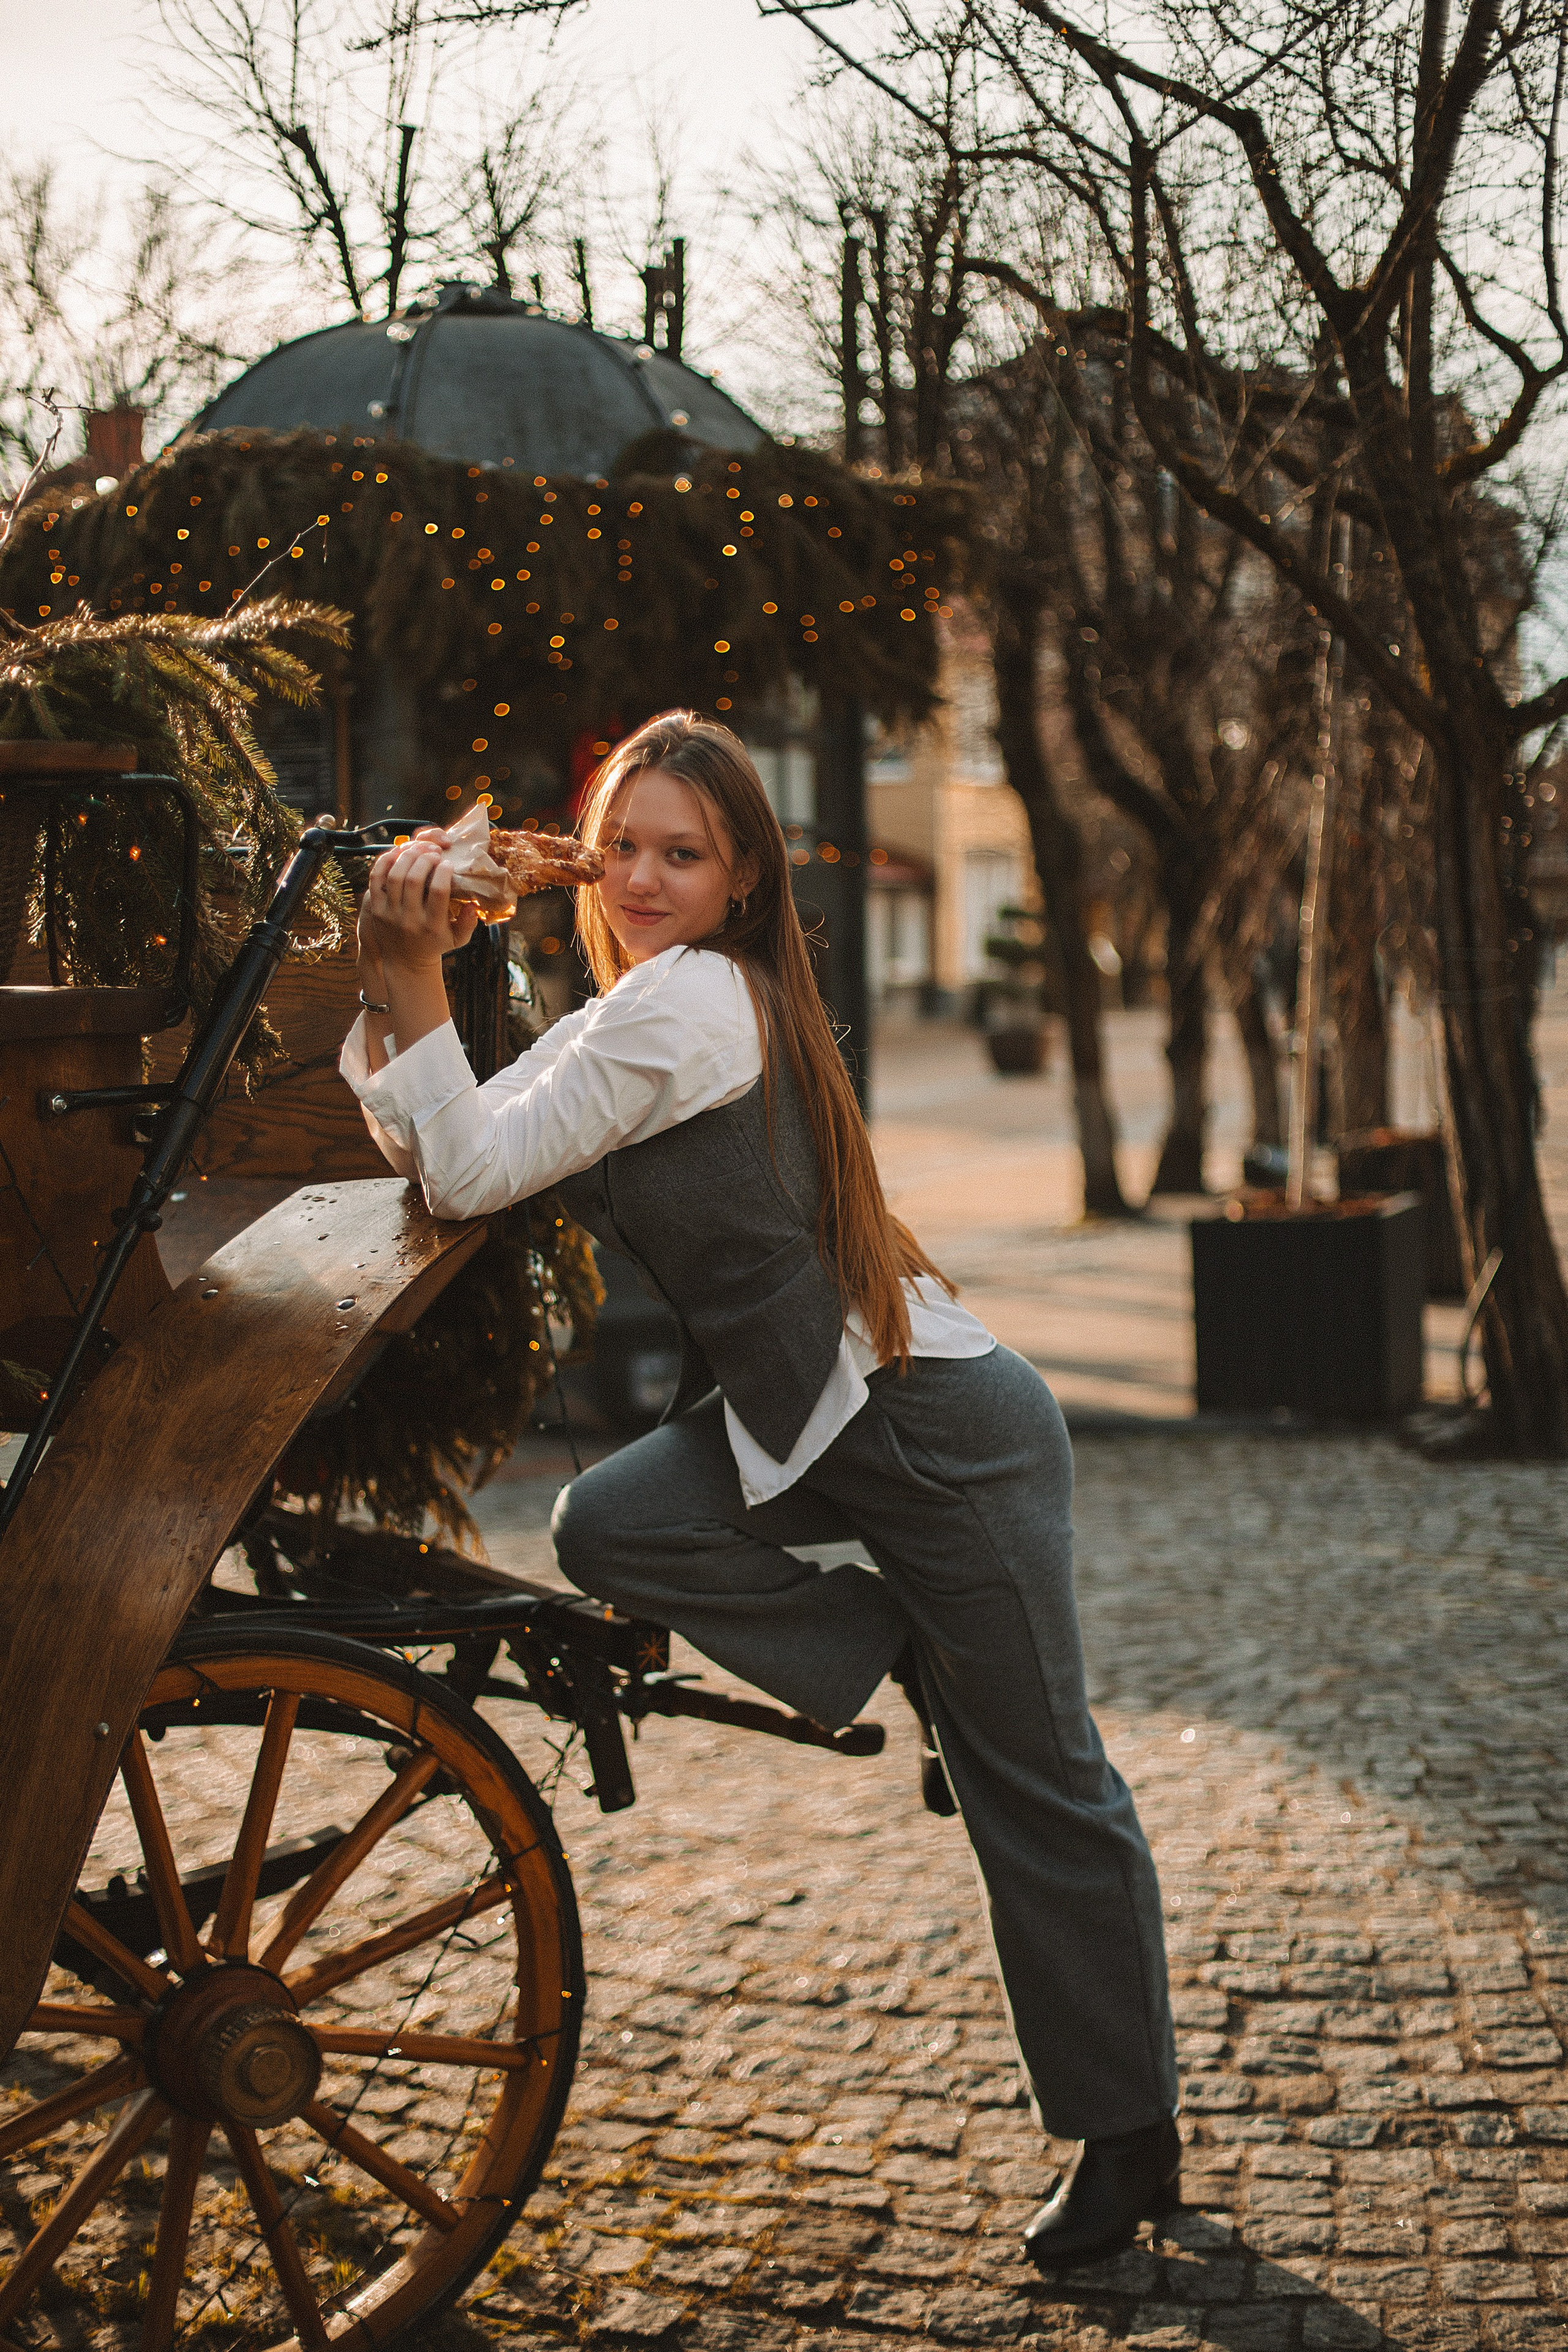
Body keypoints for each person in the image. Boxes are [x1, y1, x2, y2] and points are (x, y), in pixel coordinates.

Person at [341, 710, 1180, 2265]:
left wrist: (402, 978)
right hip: (813, 1412)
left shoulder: (694, 1009)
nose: (647, 877)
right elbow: (457, 1139)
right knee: (613, 1521)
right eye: (630, 846)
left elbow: (465, 1168)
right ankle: (898, 1658)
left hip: (942, 1430)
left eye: (686, 854)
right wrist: (423, 972)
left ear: (739, 882)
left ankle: (1127, 2141)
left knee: (1039, 1788)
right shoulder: (640, 1000)